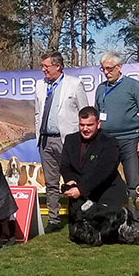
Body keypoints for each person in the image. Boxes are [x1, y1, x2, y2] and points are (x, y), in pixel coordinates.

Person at [59, 106, 139, 246]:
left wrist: (81, 189)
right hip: (80, 196)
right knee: (76, 237)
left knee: (109, 237)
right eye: (82, 125)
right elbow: (65, 165)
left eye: (89, 125)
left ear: (98, 124)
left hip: (106, 194)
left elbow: (104, 171)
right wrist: (71, 181)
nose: (85, 129)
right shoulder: (70, 139)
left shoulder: (109, 141)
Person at [34, 51, 88, 233]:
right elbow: (37, 113)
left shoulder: (74, 84)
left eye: (46, 66)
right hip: (45, 140)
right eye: (42, 66)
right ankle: (54, 219)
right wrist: (39, 135)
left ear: (58, 66)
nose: (43, 70)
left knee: (73, 180)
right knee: (51, 182)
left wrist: (82, 141)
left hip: (68, 140)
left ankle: (79, 217)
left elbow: (85, 113)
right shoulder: (40, 85)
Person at [94, 51, 139, 197]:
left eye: (109, 68)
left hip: (129, 140)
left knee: (133, 181)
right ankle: (109, 210)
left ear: (119, 67)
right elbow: (97, 115)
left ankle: (134, 212)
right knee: (104, 179)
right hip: (106, 141)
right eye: (103, 69)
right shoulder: (101, 88)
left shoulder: (133, 86)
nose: (106, 72)